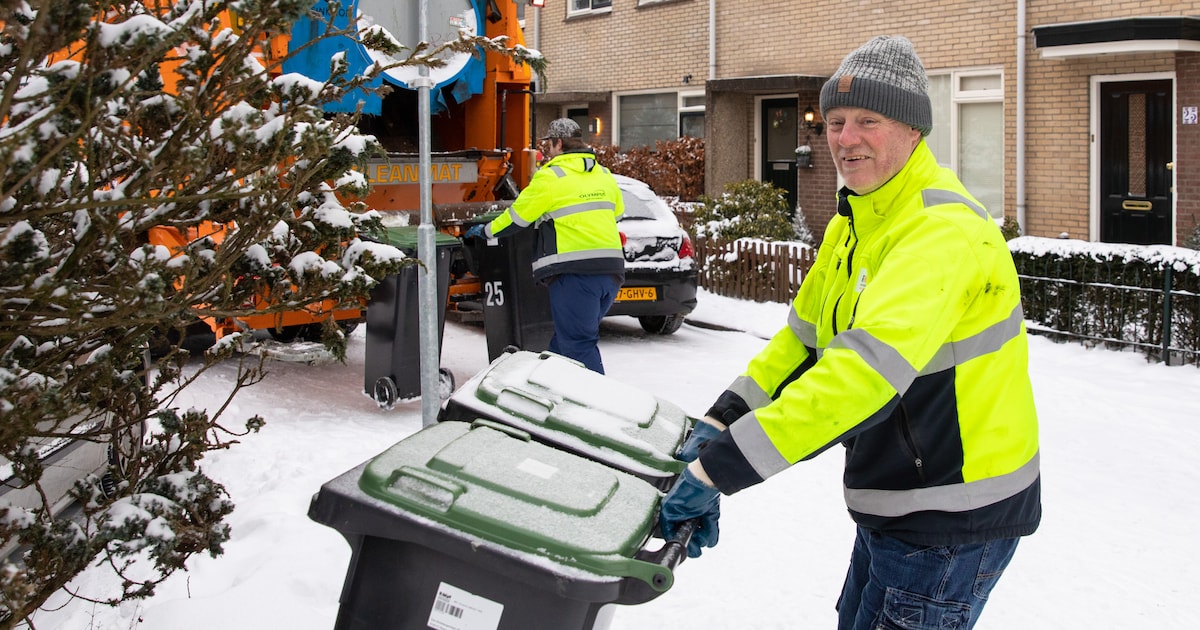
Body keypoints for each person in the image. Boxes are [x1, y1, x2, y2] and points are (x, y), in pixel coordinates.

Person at [658, 35, 1041, 629]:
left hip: (952, 516)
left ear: (914, 131)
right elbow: (802, 346)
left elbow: (859, 377)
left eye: (869, 120)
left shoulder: (940, 231)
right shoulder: (857, 219)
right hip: (895, 500)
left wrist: (719, 471)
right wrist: (718, 423)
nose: (845, 138)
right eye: (834, 120)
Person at [464, 118, 625, 374]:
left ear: (558, 143)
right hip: (611, 274)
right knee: (563, 343)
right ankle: (543, 387)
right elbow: (616, 212)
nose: (546, 151)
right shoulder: (603, 175)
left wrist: (484, 231)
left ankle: (596, 407)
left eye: (548, 144)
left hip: (575, 275)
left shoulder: (551, 176)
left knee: (578, 345)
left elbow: (517, 218)